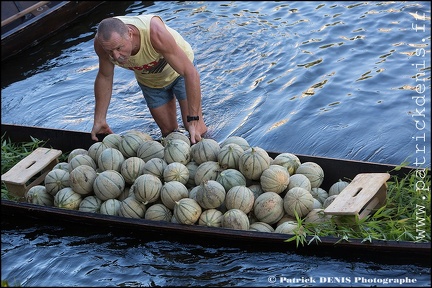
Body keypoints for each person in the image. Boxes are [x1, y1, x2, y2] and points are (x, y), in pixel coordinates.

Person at [90, 15, 207, 144]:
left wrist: (194, 119)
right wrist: (99, 120)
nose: (116, 56)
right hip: (150, 81)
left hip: (180, 73)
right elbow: (105, 76)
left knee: (196, 130)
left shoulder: (155, 33)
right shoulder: (102, 44)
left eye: (119, 48)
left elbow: (190, 73)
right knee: (169, 134)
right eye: (110, 51)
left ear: (130, 34)